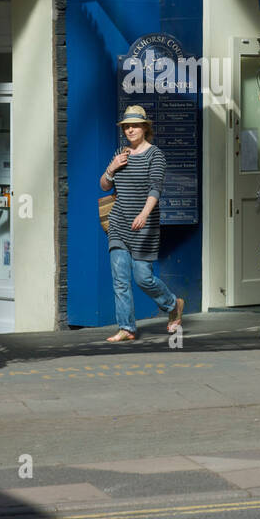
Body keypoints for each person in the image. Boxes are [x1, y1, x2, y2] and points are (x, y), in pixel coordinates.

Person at [99, 105, 183, 342]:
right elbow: (104, 186)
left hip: (144, 225)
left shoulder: (155, 155)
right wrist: (112, 167)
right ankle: (126, 328)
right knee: (120, 279)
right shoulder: (121, 153)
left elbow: (155, 188)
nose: (130, 130)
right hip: (118, 223)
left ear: (146, 127)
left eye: (135, 125)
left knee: (143, 277)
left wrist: (145, 213)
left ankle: (173, 304)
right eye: (126, 126)